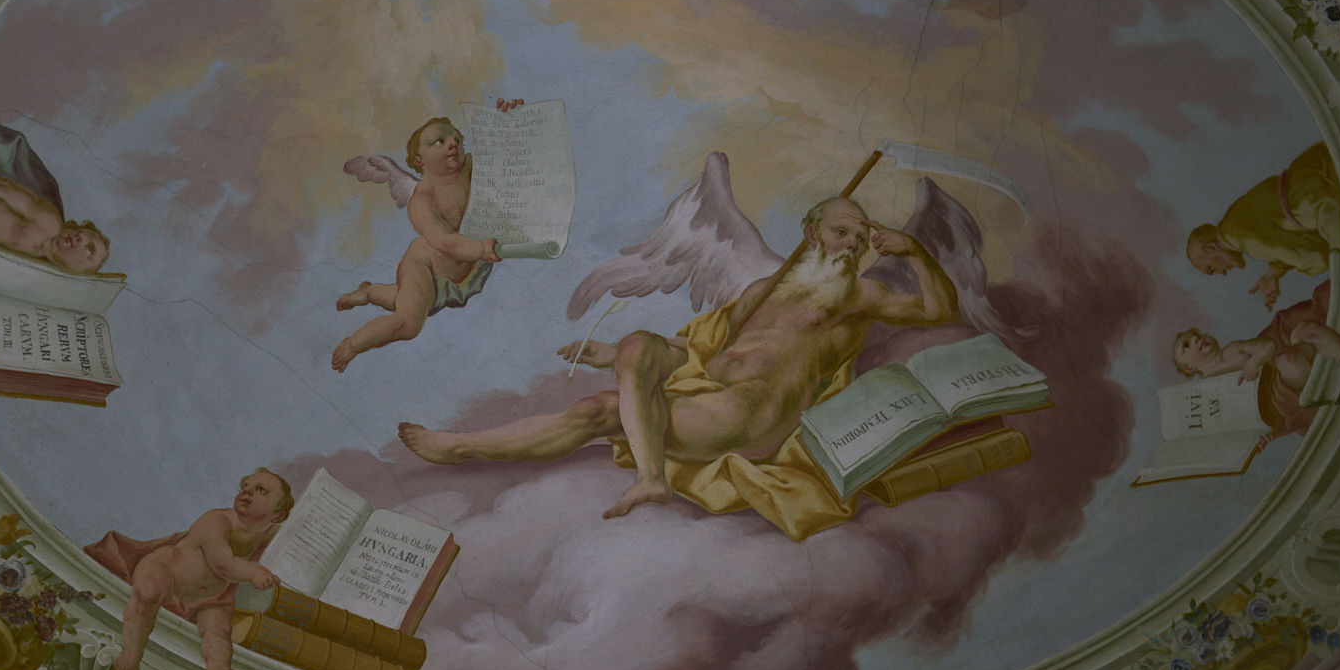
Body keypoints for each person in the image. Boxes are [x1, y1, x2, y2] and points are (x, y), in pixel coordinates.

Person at [399, 196, 962, 531]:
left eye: (861, 240)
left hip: (751, 413)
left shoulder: (859, 297)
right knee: (637, 345)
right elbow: (703, 349)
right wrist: (617, 355)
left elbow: (940, 309)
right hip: (709, 390)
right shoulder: (762, 289)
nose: (853, 247)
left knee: (600, 412)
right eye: (842, 233)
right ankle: (645, 469)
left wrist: (914, 251)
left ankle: (474, 449)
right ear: (813, 233)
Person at [88, 469, 294, 670]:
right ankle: (131, 652)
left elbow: (290, 543)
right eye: (245, 486)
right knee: (148, 594)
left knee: (218, 626)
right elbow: (223, 565)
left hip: (206, 601)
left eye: (260, 490)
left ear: (277, 515)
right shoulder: (217, 521)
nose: (247, 492)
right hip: (167, 573)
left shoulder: (268, 535)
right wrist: (253, 572)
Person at [334, 117, 502, 372]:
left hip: (463, 275)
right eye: (439, 141)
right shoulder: (423, 199)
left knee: (402, 297)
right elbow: (445, 243)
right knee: (408, 322)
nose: (453, 144)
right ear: (419, 160)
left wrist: (510, 113)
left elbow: (510, 155)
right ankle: (353, 344)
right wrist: (480, 250)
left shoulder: (472, 167)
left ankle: (368, 292)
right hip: (426, 266)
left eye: (457, 139)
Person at [1173, 280, 1340, 450]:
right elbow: (1242, 421)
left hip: (1285, 366)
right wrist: (1264, 437)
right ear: (1189, 368)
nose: (1196, 339)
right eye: (1186, 346)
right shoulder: (1208, 392)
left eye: (1196, 334)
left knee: (1305, 330)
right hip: (1284, 394)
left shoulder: (1232, 351)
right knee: (1289, 361)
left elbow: (1269, 345)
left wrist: (1254, 361)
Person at [1186, 142, 1340, 310]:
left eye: (1211, 269)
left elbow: (1315, 258)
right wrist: (1271, 275)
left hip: (1324, 194)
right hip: (1319, 165)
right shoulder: (1232, 222)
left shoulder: (1237, 237)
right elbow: (1284, 241)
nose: (1222, 273)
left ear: (1210, 248)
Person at [0, 170, 110, 330]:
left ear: (77, 271)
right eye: (83, 232)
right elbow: (5, 189)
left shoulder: (42, 269)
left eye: (89, 249)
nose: (80, 237)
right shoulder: (48, 223)